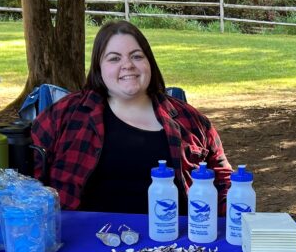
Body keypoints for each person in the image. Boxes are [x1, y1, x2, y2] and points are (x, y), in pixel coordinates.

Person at [32, 20, 231, 213]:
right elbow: (25, 181)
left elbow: (224, 183)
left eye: (136, 56)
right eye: (114, 58)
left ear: (149, 63)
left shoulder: (192, 121)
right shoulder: (64, 115)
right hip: (86, 239)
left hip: (174, 240)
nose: (128, 65)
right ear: (98, 68)